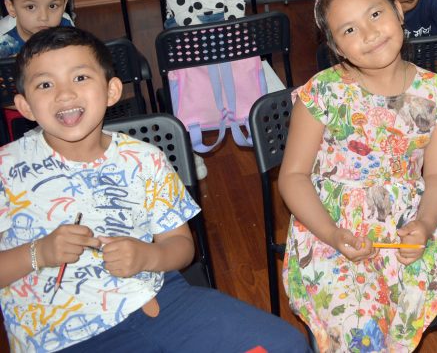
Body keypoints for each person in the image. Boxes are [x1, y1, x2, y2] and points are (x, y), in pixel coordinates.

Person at [0, 27, 309, 352]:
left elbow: (181, 246)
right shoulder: (6, 168)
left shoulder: (145, 158)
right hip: (62, 335)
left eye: (80, 78)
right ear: (25, 106)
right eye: (45, 84)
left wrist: (148, 255)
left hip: (159, 303)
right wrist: (39, 253)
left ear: (111, 91)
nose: (64, 94)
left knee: (284, 344)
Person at [278, 0, 437, 352]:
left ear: (398, 12)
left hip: (409, 224)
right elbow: (293, 177)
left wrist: (425, 225)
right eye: (349, 30)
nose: (368, 34)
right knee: (364, 337)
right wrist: (332, 234)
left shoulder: (435, 92)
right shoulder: (323, 92)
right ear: (336, 46)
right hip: (333, 231)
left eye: (375, 14)